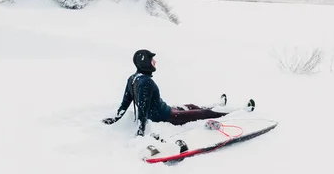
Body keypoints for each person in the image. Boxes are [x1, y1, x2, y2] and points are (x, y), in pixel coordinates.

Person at [103, 49, 247, 137]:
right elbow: (142, 107)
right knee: (202, 114)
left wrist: (115, 118)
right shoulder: (145, 82)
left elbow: (125, 103)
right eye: (152, 59)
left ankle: (217, 105)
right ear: (145, 63)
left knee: (191, 106)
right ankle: (236, 113)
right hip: (168, 116)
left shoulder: (133, 78)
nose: (155, 62)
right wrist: (141, 130)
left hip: (167, 109)